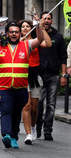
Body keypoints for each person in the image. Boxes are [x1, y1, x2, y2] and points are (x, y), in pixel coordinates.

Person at [0, 20, 44, 149]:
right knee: (6, 111)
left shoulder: (26, 45)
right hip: (4, 88)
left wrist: (38, 27)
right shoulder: (0, 46)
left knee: (16, 114)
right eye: (11, 32)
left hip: (21, 88)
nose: (14, 34)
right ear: (7, 33)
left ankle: (14, 137)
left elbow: (40, 40)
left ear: (20, 34)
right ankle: (6, 135)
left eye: (16, 32)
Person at [36, 12, 67, 141]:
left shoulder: (58, 37)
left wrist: (63, 75)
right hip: (39, 75)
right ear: (41, 20)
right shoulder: (37, 34)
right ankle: (37, 126)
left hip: (53, 75)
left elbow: (63, 57)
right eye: (44, 19)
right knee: (38, 102)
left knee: (51, 104)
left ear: (52, 21)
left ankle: (48, 130)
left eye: (49, 19)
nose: (47, 20)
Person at [19, 19, 51, 144]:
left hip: (35, 75)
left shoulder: (35, 41)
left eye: (28, 26)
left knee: (34, 107)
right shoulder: (18, 41)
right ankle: (28, 134)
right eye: (23, 26)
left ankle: (33, 127)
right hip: (22, 74)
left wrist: (41, 27)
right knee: (26, 106)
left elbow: (48, 44)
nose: (25, 28)